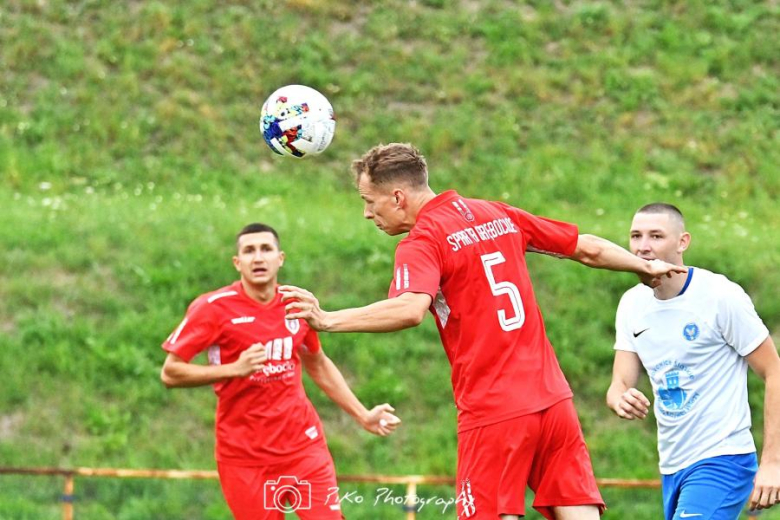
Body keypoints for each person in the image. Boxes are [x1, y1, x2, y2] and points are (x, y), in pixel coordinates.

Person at [278, 143, 687, 520]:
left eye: (369, 202)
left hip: (494, 410)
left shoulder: (423, 240)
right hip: (553, 400)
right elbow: (586, 247)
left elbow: (409, 309)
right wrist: (642, 266)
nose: (368, 213)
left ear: (397, 197)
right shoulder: (497, 213)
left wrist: (327, 318)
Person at [160, 223, 401, 520]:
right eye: (249, 251)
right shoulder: (213, 308)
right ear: (237, 263)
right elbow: (171, 372)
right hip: (245, 456)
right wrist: (233, 369)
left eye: (266, 249)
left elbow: (318, 363)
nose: (258, 258)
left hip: (303, 448)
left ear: (280, 258)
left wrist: (363, 415)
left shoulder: (295, 304)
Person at [606, 203, 780, 519]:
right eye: (636, 236)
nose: (643, 246)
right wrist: (620, 398)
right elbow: (619, 382)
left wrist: (773, 463)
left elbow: (775, 371)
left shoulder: (719, 296)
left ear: (683, 242)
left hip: (722, 460)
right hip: (672, 466)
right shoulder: (631, 304)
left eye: (656, 236)